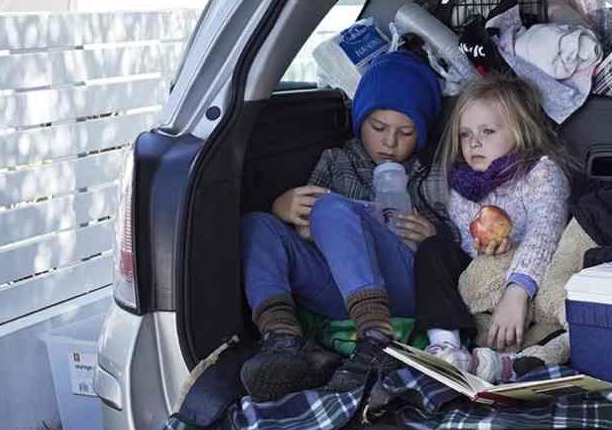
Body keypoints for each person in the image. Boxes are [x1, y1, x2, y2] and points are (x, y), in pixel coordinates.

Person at [239, 50, 448, 401]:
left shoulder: (432, 173)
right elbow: (305, 227)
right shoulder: (336, 161)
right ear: (359, 120)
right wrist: (283, 208)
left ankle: (377, 340)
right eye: (377, 127)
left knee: (332, 208)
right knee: (256, 225)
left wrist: (434, 237)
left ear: (422, 134)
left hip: (404, 282)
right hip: (338, 289)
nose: (389, 142)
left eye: (406, 132)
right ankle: (283, 341)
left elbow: (461, 247)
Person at [414, 75, 574, 382]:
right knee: (433, 250)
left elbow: (545, 235)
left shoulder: (542, 174)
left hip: (533, 279)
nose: (474, 142)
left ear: (520, 131)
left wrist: (517, 292)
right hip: (483, 278)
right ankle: (445, 345)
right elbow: (466, 247)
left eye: (487, 131)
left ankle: (522, 357)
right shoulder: (463, 186)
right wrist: (482, 252)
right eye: (465, 134)